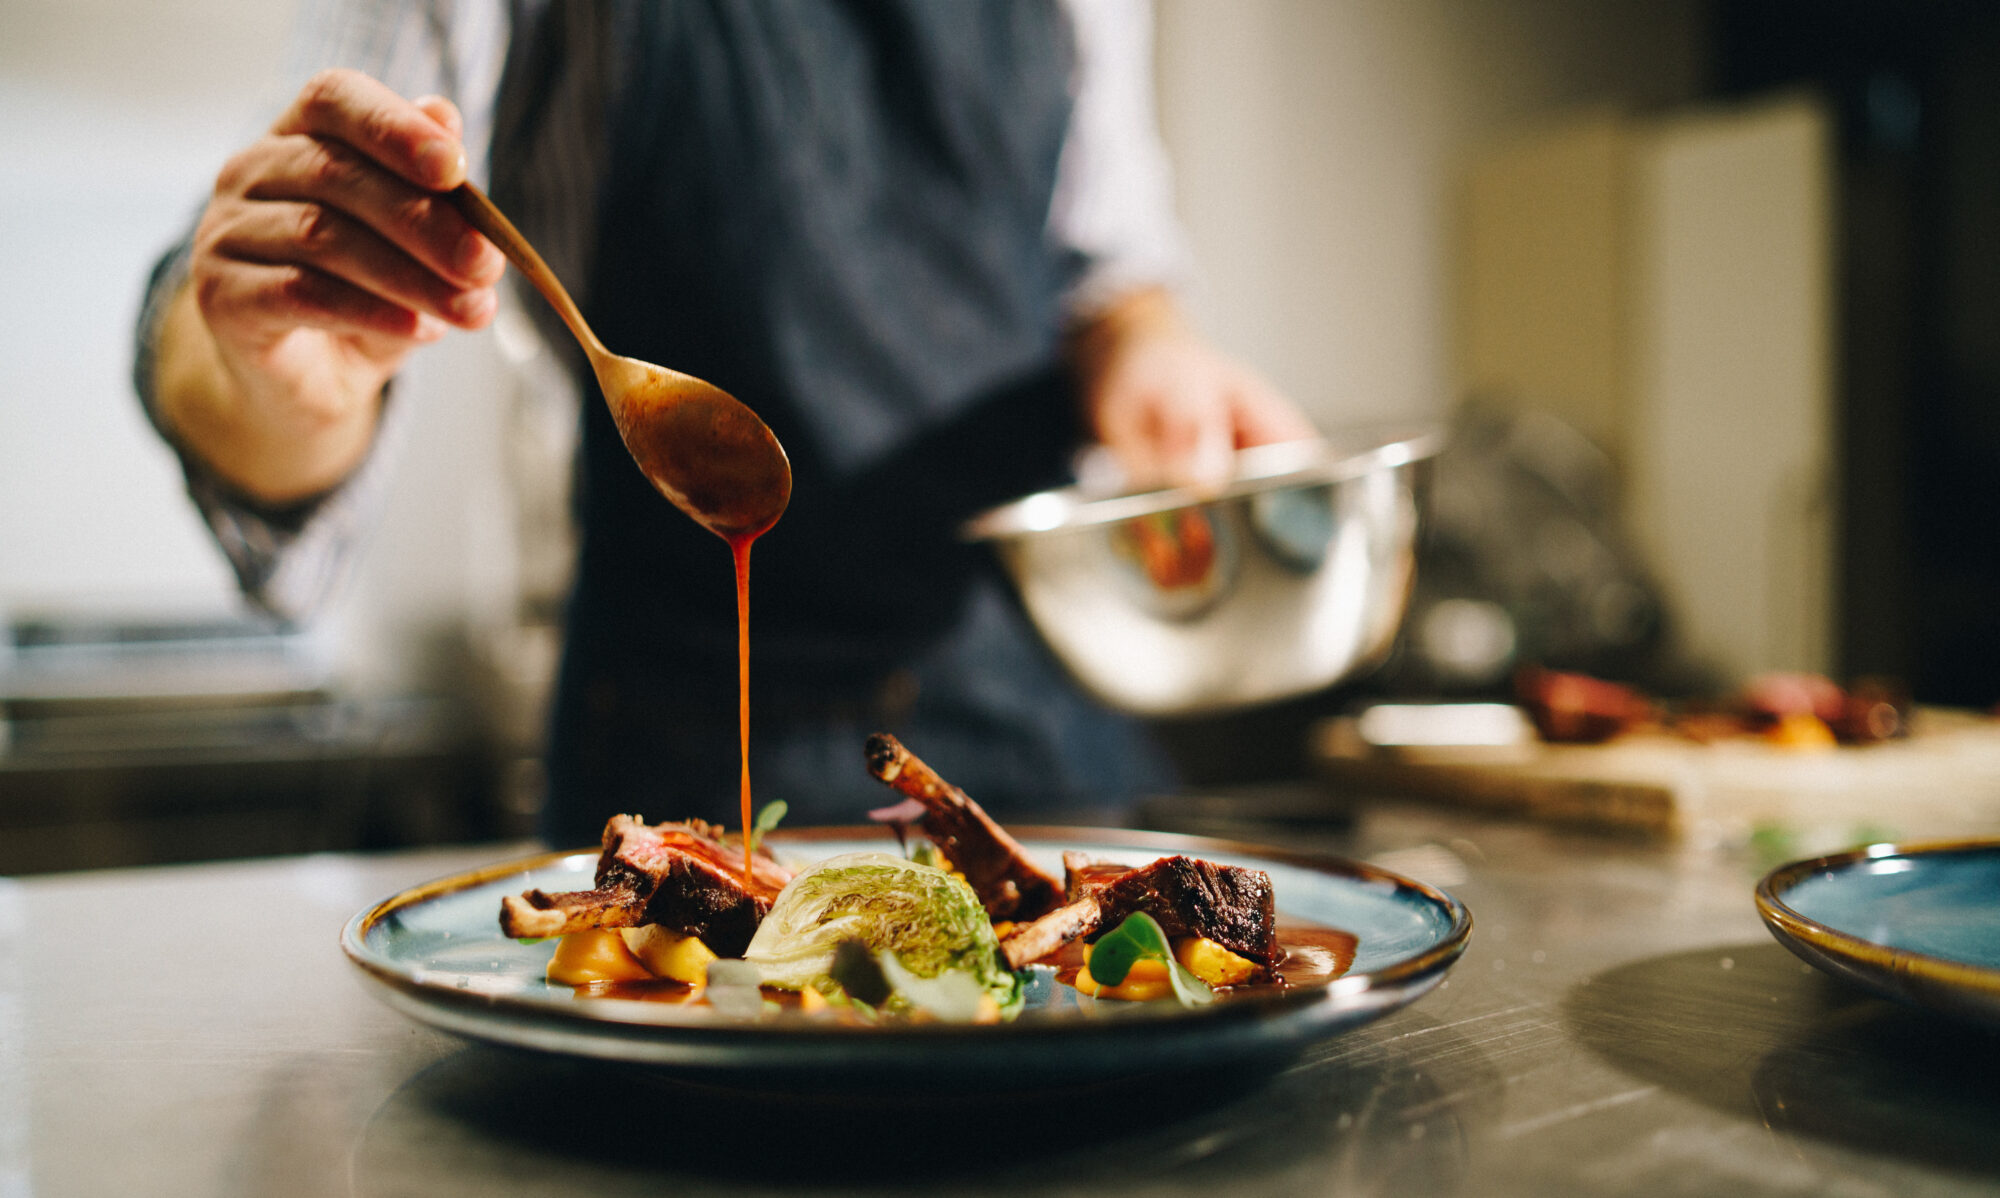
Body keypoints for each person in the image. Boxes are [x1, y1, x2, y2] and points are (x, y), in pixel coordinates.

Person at [135, 0, 1315, 845]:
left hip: (1047, 744)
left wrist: (1145, 349)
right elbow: (249, 306)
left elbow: (1103, 264)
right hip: (693, 768)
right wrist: (268, 370)